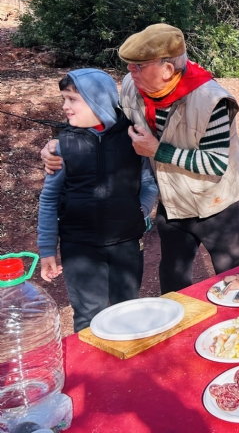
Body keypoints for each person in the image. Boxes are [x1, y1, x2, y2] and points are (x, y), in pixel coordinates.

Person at [42, 24, 239, 294]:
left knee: (234, 279)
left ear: (167, 70)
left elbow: (215, 163)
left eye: (139, 66)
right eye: (129, 65)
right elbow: (106, 123)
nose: (130, 71)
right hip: (173, 201)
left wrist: (157, 151)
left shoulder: (211, 100)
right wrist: (59, 143)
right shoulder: (132, 86)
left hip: (219, 203)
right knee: (174, 282)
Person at [37, 69, 158, 332]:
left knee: (126, 309)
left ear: (98, 100)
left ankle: (125, 370)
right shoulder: (63, 145)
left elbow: (149, 183)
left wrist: (142, 209)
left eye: (72, 99)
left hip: (126, 243)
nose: (65, 106)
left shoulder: (132, 137)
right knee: (87, 316)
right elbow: (48, 199)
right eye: (63, 99)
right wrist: (47, 250)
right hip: (79, 246)